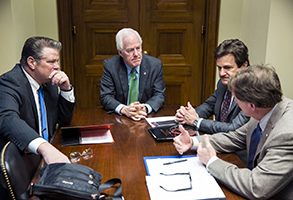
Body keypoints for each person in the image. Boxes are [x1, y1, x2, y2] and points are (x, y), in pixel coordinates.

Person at [173, 64, 293, 199]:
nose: (234, 100)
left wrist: (212, 162)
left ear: (252, 106)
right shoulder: (265, 108)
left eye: (236, 98)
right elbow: (235, 137)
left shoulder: (287, 134)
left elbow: (256, 186)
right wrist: (192, 142)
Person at [0, 37, 76, 199]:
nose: (57, 67)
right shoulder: (7, 84)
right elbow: (6, 118)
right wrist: (45, 147)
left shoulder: (49, 81)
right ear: (32, 62)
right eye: (51, 61)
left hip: (43, 163)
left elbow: (64, 119)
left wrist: (66, 89)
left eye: (57, 61)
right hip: (16, 172)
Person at [175, 39, 250, 134]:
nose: (221, 73)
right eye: (219, 67)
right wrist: (187, 115)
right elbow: (209, 105)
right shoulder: (223, 84)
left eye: (227, 68)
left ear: (244, 65)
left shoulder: (252, 90)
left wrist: (196, 121)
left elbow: (233, 128)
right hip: (218, 140)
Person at [100, 28, 166, 121]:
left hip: (145, 117)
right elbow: (106, 96)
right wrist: (124, 109)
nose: (136, 54)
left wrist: (146, 108)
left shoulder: (155, 65)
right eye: (130, 50)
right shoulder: (110, 66)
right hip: (121, 119)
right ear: (120, 52)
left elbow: (159, 94)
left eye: (138, 48)